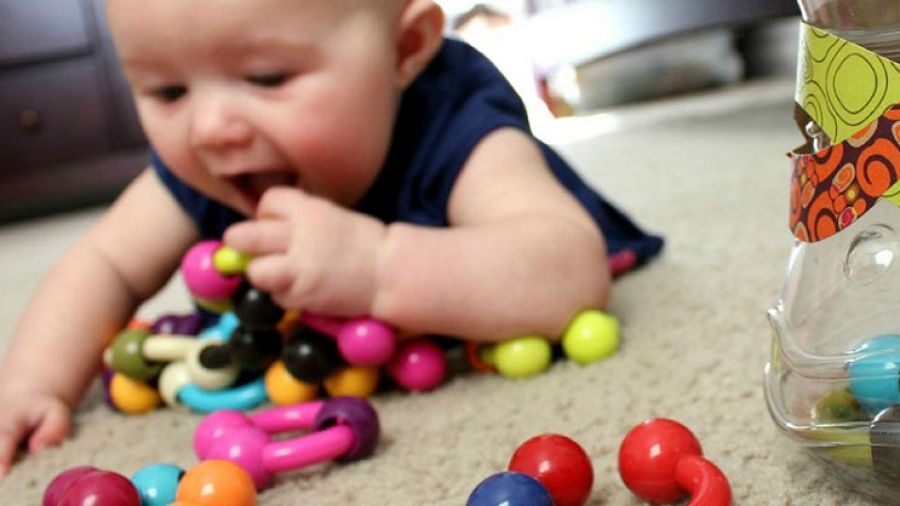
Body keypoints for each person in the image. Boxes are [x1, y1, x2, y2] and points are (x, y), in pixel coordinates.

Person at [0, 0, 662, 475]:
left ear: (404, 50)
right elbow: (106, 262)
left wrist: (377, 268)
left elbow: (570, 269)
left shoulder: (456, 117)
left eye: (266, 77)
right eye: (168, 91)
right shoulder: (204, 166)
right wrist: (32, 382)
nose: (209, 129)